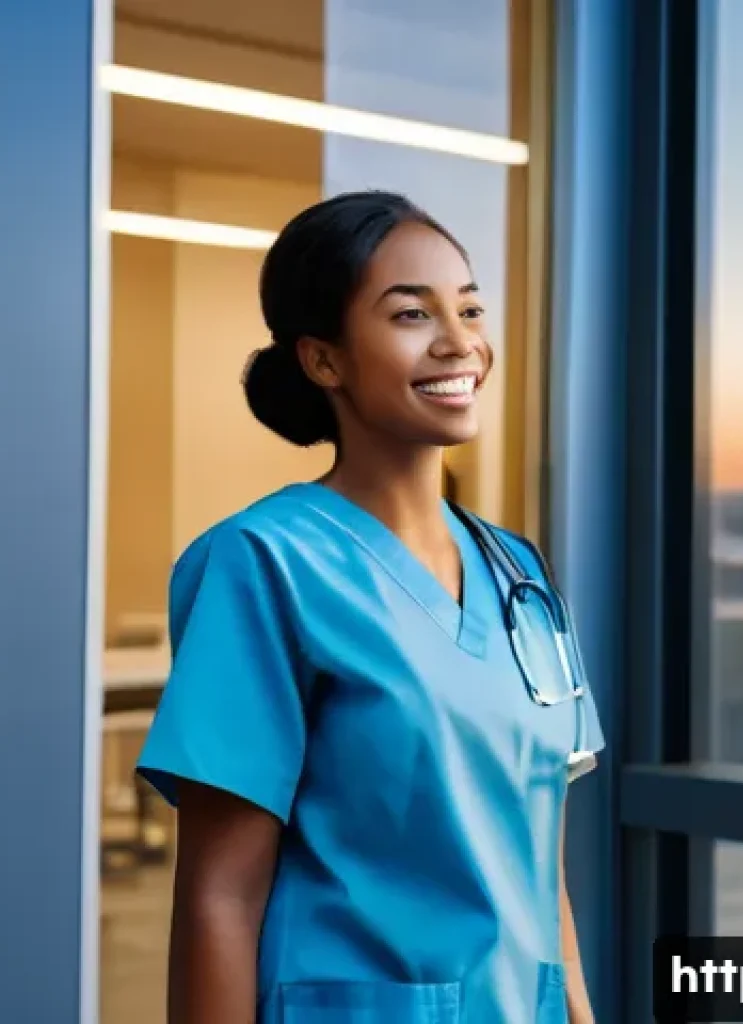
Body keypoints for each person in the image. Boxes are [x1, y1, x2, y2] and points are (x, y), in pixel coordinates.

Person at [136, 190, 605, 1024]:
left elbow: (539, 863)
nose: (459, 343)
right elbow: (219, 895)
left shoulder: (518, 574)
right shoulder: (267, 564)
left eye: (468, 309)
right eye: (411, 315)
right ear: (324, 361)